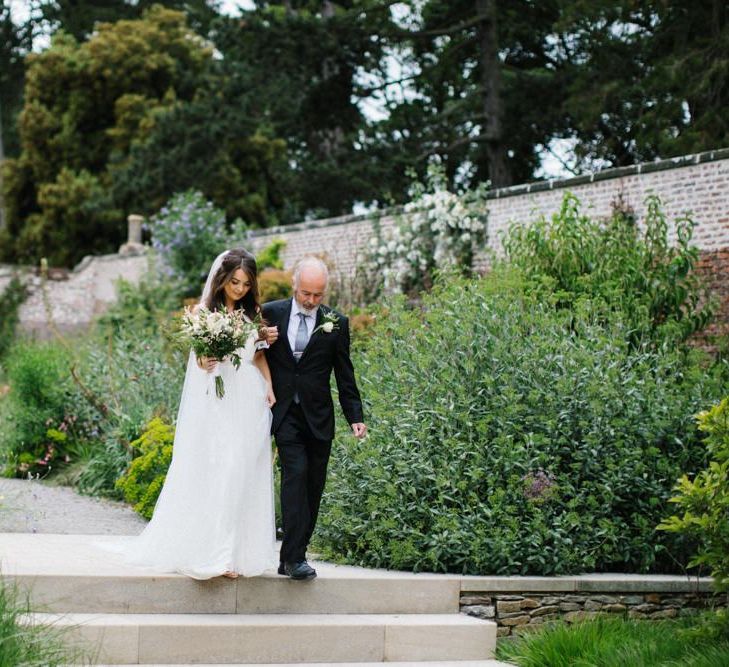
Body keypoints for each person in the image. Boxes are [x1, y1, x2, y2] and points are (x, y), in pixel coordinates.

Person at [110, 249, 278, 580]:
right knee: (224, 466)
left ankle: (236, 552)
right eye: (234, 282)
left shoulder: (252, 313)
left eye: (245, 283)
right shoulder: (204, 313)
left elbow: (257, 357)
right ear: (222, 279)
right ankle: (216, 553)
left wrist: (269, 386)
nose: (239, 289)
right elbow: (199, 359)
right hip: (218, 398)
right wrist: (205, 361)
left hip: (248, 395)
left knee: (244, 470)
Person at [263, 255, 366, 581]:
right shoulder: (271, 313)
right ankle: (296, 559)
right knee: (295, 475)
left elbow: (344, 374)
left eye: (317, 295)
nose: (310, 301)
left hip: (319, 417)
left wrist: (355, 417)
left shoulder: (337, 322)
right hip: (284, 413)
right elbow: (252, 356)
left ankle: (291, 555)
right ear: (295, 286)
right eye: (306, 293)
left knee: (313, 486)